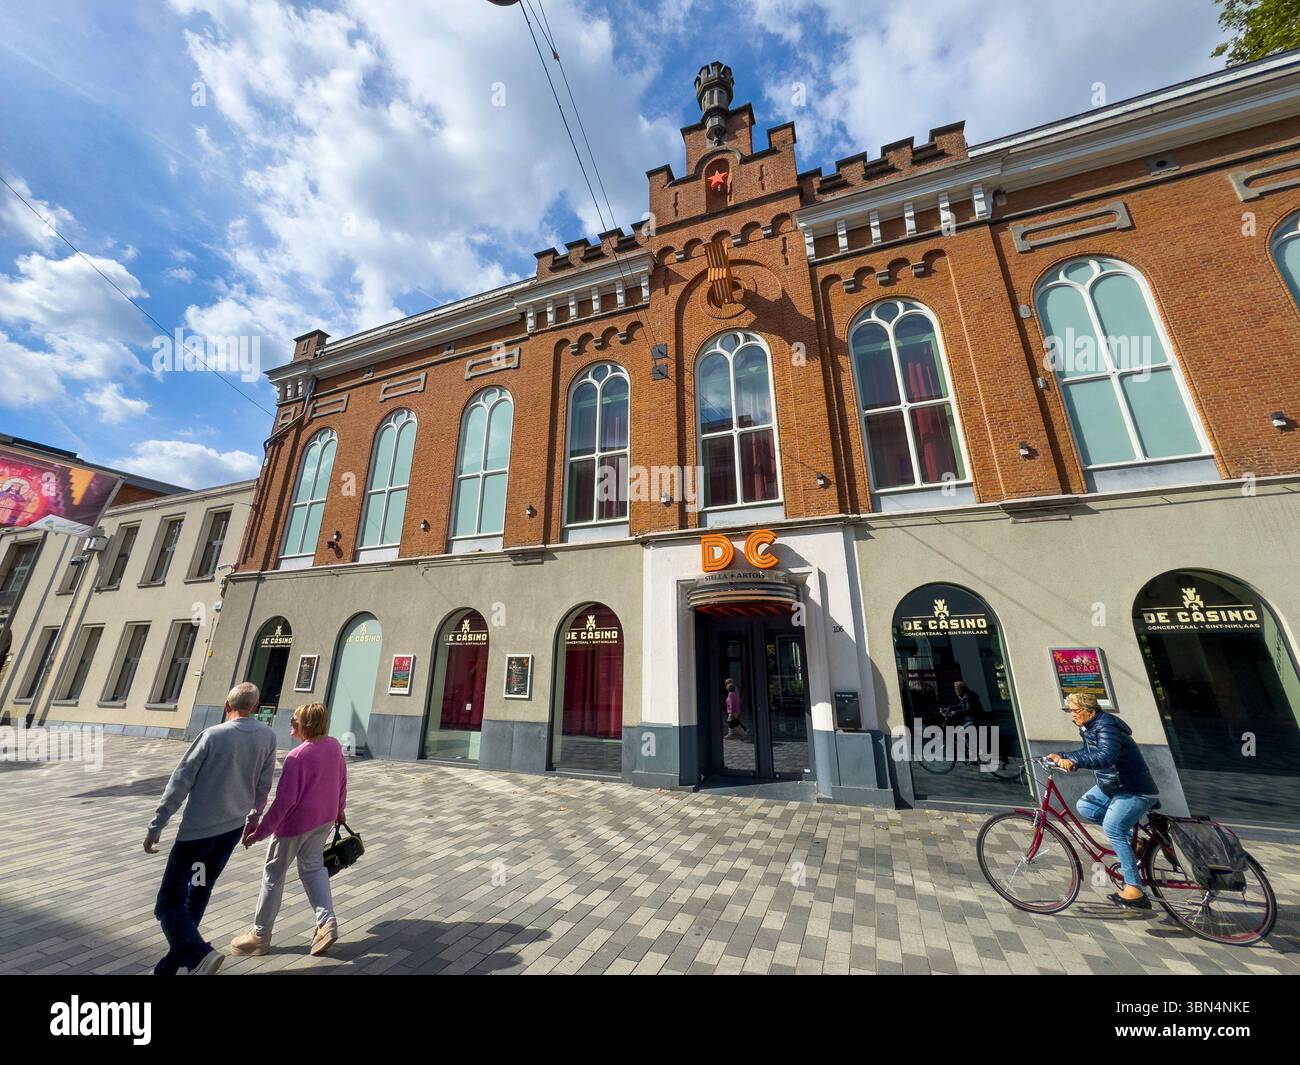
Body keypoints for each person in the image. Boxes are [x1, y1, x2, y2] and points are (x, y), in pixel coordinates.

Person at [144, 681, 277, 975]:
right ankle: (176, 962)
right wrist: (253, 820)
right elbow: (263, 785)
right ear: (255, 708)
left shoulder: (212, 736)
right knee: (199, 889)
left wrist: (157, 824)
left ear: (226, 706)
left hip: (196, 835)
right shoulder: (267, 737)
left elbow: (180, 781)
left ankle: (199, 953)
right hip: (227, 834)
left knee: (167, 902)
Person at [229, 702, 347, 958]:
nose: (291, 724)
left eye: (295, 720)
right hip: (324, 821)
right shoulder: (334, 746)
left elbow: (284, 803)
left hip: (294, 826)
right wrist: (339, 809)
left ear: (307, 724)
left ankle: (260, 935)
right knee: (314, 869)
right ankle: (327, 922)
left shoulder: (297, 757)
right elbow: (342, 780)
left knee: (273, 875)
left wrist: (259, 833)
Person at [1047, 692, 1159, 910]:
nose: (1072, 715)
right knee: (1086, 806)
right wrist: (1060, 754)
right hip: (1114, 785)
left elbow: (1106, 756)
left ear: (1089, 710)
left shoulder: (1106, 725)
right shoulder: (1090, 727)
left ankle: (1135, 889)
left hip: (1133, 788)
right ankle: (1134, 843)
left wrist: (1074, 762)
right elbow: (1088, 752)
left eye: (1075, 711)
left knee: (1112, 827)